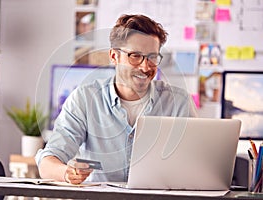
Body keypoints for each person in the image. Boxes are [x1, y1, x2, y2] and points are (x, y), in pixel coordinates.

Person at [35, 14, 197, 184]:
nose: (145, 66)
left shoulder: (178, 102)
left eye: (152, 57)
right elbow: (47, 162)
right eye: (135, 56)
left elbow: (199, 161)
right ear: (114, 56)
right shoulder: (85, 99)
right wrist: (67, 173)